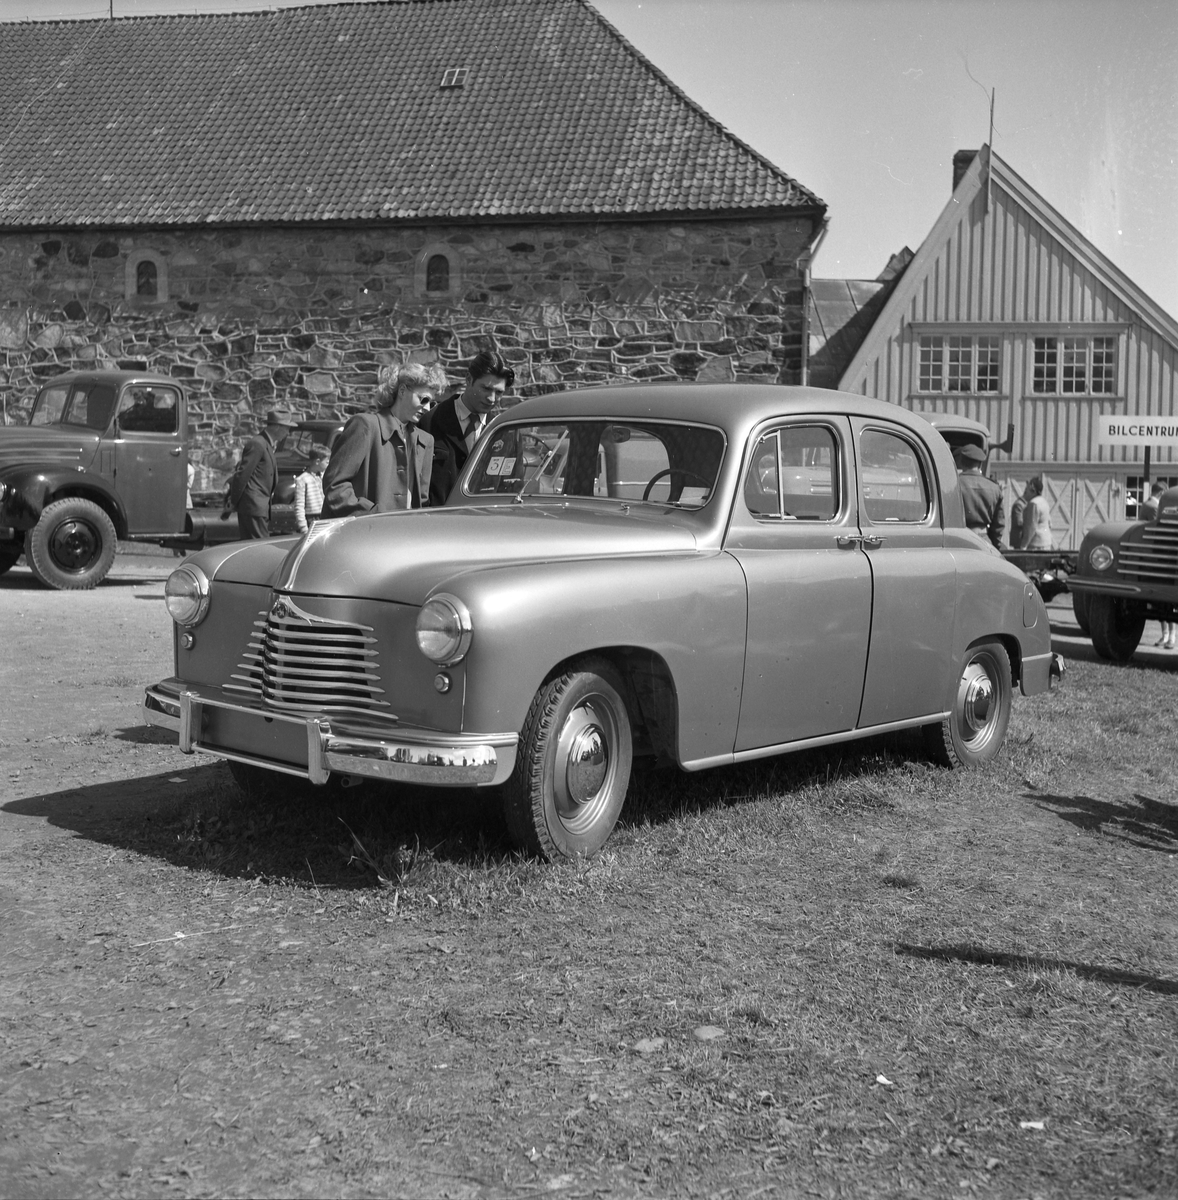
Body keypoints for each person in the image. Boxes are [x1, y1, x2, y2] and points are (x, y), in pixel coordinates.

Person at [321, 362, 446, 517]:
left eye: (432, 403)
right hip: (364, 533)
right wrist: (373, 514)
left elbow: (422, 499)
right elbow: (335, 486)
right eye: (424, 399)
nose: (427, 408)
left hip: (406, 535)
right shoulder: (365, 425)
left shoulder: (426, 440)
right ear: (402, 391)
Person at [420, 349, 515, 508]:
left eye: (499, 392)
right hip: (439, 526)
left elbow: (512, 487)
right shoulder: (430, 422)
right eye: (485, 388)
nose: (491, 398)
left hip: (486, 527)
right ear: (469, 379)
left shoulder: (505, 433)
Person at [224, 406, 295, 539]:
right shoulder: (258, 444)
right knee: (260, 547)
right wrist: (233, 501)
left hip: (258, 507)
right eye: (287, 428)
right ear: (277, 427)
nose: (288, 433)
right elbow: (242, 474)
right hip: (254, 506)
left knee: (255, 547)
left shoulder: (265, 444)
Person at [955, 444, 1004, 548]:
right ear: (980, 464)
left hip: (959, 540)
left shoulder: (954, 484)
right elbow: (999, 524)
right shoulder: (994, 488)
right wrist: (994, 546)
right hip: (984, 540)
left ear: (961, 462)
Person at [294, 445, 329, 533]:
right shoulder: (302, 480)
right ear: (318, 461)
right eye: (327, 462)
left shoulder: (324, 476)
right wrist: (303, 528)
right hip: (312, 519)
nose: (328, 465)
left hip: (324, 516)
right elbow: (299, 506)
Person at [1019, 476, 1052, 550]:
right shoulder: (1044, 502)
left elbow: (1031, 527)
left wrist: (1024, 545)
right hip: (1046, 542)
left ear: (1033, 491)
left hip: (1036, 544)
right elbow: (1050, 523)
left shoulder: (1033, 504)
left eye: (1026, 491)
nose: (1024, 494)